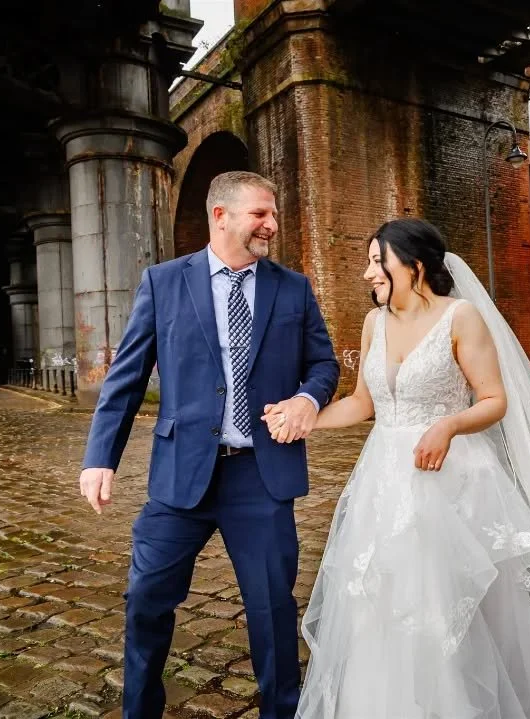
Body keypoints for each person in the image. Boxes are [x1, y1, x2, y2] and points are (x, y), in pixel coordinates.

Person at [264, 217, 530, 718]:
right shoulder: (374, 323)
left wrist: (449, 425)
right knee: (381, 597)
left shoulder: (461, 317)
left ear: (413, 266)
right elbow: (363, 403)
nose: (368, 273)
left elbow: (494, 400)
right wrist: (302, 418)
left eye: (378, 261)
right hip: (384, 480)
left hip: (451, 479)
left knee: (446, 601)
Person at [78, 171, 339, 719]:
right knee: (145, 601)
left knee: (272, 611)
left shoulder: (292, 288)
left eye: (273, 214)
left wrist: (307, 400)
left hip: (261, 477)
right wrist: (101, 457)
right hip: (180, 477)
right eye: (260, 214)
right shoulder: (163, 282)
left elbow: (323, 364)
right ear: (220, 215)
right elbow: (126, 378)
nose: (272, 224)